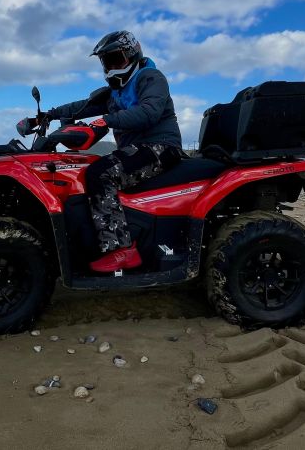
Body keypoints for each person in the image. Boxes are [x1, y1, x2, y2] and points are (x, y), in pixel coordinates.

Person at [18, 30, 182, 272]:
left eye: (117, 59)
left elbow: (149, 112)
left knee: (100, 173)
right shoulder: (115, 91)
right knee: (82, 169)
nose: (111, 66)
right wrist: (47, 115)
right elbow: (82, 106)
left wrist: (105, 121)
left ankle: (121, 249)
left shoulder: (151, 78)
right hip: (136, 149)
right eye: (107, 61)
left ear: (132, 54)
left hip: (162, 147)